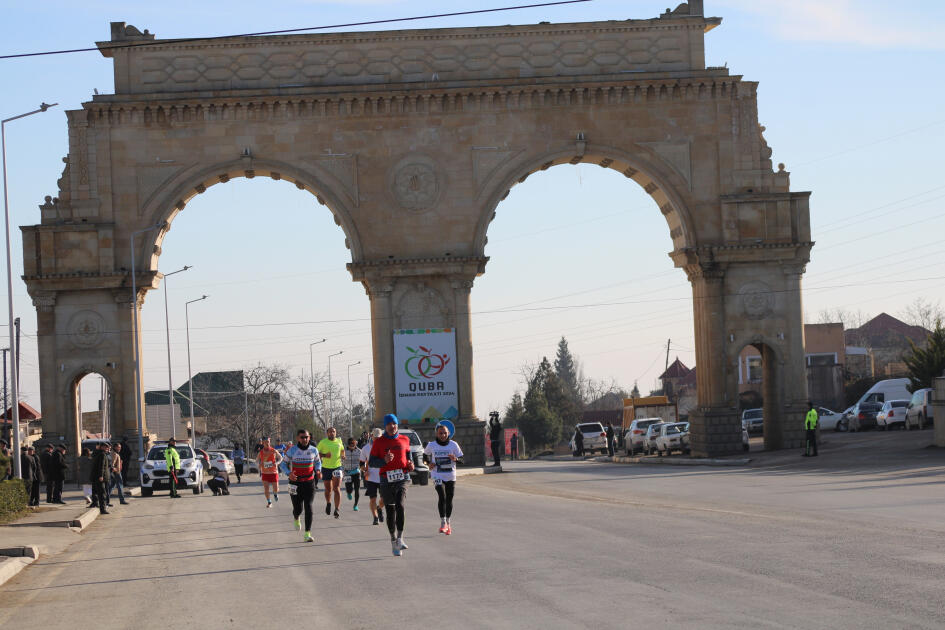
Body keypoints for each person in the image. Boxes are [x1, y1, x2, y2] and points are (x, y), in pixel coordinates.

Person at [369, 414, 414, 556]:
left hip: (402, 476)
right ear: (385, 426)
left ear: (397, 425)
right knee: (390, 511)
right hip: (386, 479)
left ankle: (400, 538)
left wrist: (411, 465)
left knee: (400, 504)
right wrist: (384, 461)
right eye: (389, 424)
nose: (392, 426)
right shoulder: (379, 442)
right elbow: (372, 462)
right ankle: (393, 540)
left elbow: (408, 457)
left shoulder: (405, 439)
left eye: (394, 424)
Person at [423, 421, 464, 535]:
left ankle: (448, 523)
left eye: (445, 433)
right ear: (436, 434)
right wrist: (428, 463)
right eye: (440, 433)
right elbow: (424, 456)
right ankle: (443, 522)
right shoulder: (431, 445)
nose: (443, 435)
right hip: (437, 474)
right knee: (442, 495)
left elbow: (462, 460)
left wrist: (455, 459)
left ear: (449, 433)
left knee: (449, 499)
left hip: (450, 475)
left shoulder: (453, 445)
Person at [284, 428, 321, 542]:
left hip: (309, 482)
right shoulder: (292, 450)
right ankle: (296, 517)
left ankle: (307, 534)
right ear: (298, 438)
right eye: (302, 437)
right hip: (295, 483)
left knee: (308, 507)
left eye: (306, 437)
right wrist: (288, 473)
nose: (305, 439)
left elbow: (318, 462)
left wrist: (318, 470)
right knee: (298, 508)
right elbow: (283, 464)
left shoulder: (314, 450)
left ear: (309, 437)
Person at [316, 426, 345, 519]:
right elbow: (316, 454)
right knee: (328, 489)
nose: (332, 433)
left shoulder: (339, 441)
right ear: (327, 433)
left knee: (336, 488)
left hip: (337, 467)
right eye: (330, 432)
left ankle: (337, 509)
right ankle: (328, 503)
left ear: (335, 433)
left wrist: (343, 456)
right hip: (326, 467)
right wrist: (324, 455)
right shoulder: (323, 442)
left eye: (334, 431)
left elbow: (342, 450)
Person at [359, 428, 385, 526]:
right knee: (372, 499)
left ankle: (379, 508)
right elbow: (361, 463)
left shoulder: (385, 446)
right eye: (376, 437)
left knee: (384, 499)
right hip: (371, 478)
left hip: (383, 476)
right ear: (371, 436)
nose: (377, 439)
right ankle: (375, 517)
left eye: (379, 437)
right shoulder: (366, 448)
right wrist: (365, 470)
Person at [257, 436, 284, 508]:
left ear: (270, 442)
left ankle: (275, 494)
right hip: (265, 473)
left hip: (273, 472)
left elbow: (281, 458)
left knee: (276, 489)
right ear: (263, 443)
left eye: (268, 442)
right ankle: (269, 502)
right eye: (265, 442)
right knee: (266, 489)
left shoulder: (273, 450)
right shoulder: (261, 452)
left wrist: (277, 463)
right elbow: (256, 461)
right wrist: (259, 465)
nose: (267, 443)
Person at [90, 442, 111, 514]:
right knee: (102, 493)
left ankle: (97, 504)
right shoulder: (102, 454)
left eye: (107, 447)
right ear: (102, 447)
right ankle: (103, 509)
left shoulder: (96, 453)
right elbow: (101, 466)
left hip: (96, 476)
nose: (107, 448)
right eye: (105, 447)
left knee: (97, 492)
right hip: (100, 477)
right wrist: (101, 476)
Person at [342, 437, 362, 511]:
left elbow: (363, 461)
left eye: (353, 444)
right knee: (349, 488)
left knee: (357, 489)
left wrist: (363, 468)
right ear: (348, 444)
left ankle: (356, 505)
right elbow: (340, 461)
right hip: (347, 472)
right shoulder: (344, 451)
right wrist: (342, 469)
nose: (352, 445)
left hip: (356, 472)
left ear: (355, 443)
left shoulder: (359, 451)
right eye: (350, 444)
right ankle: (349, 493)